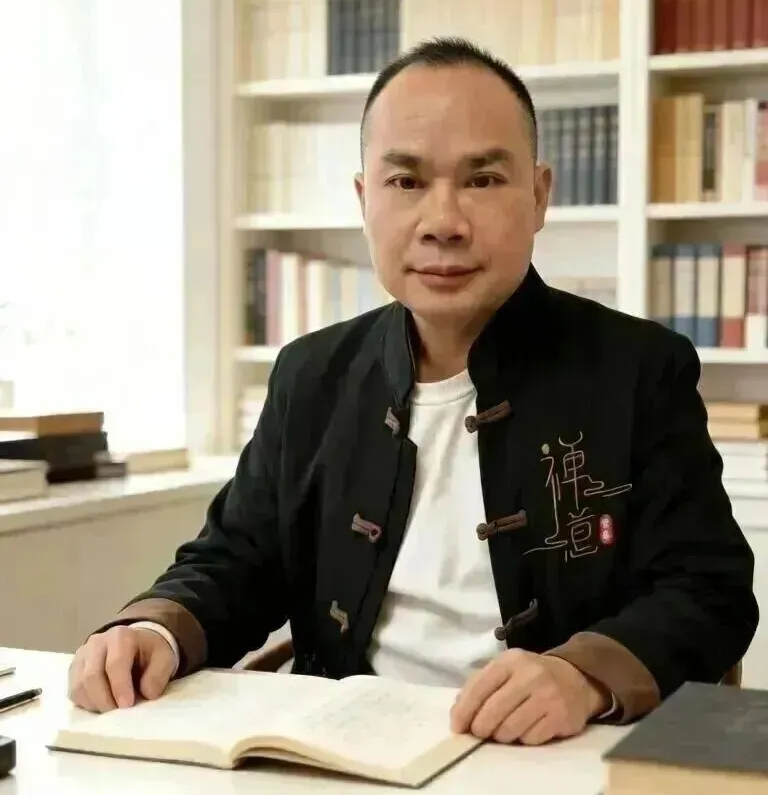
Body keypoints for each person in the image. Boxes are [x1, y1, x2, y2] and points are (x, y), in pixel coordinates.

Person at [68, 37, 758, 746]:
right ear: (364, 199)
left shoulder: (637, 369)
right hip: (342, 758)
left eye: (483, 180)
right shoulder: (311, 375)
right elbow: (235, 561)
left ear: (539, 196)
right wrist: (153, 629)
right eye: (405, 182)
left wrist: (580, 676)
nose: (443, 222)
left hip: (546, 757)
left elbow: (709, 591)